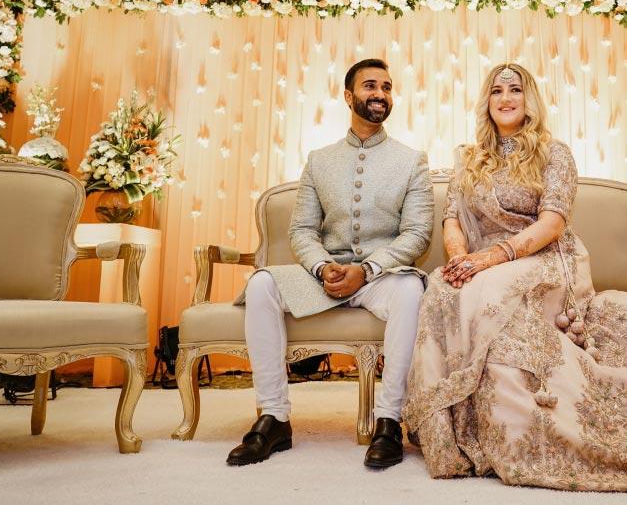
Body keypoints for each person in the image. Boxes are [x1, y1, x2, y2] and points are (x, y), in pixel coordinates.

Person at [403, 63, 627, 491]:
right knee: (443, 288)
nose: (505, 98)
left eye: (515, 90)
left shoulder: (553, 152)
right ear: (486, 102)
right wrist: (459, 260)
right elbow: (452, 219)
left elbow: (553, 223)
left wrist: (492, 258)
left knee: (491, 290)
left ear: (530, 99)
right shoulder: (470, 159)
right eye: (497, 91)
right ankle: (448, 433)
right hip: (482, 261)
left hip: (543, 255)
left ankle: (518, 434)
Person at [227, 58, 434, 468]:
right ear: (348, 96)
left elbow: (417, 234)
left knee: (412, 288)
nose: (380, 94)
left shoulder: (411, 160)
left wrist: (367, 270)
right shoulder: (319, 160)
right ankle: (274, 417)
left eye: (387, 87)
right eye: (370, 86)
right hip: (326, 275)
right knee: (261, 283)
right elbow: (302, 230)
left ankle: (389, 421)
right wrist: (323, 268)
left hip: (381, 277)